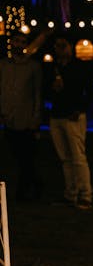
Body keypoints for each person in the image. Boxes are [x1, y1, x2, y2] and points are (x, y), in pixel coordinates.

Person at [49, 36, 93, 210]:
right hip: (57, 115)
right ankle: (71, 193)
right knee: (65, 158)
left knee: (77, 157)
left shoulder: (80, 67)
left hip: (73, 116)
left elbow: (89, 91)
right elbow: (47, 90)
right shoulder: (53, 68)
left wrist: (80, 108)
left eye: (63, 46)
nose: (59, 49)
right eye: (57, 46)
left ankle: (85, 194)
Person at [0, 31, 43, 201]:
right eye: (16, 41)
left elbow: (37, 93)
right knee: (16, 155)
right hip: (8, 117)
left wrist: (35, 119)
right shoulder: (3, 65)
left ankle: (24, 190)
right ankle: (32, 185)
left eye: (22, 41)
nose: (19, 44)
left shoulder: (33, 67)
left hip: (26, 118)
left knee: (26, 156)